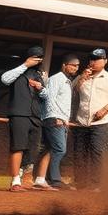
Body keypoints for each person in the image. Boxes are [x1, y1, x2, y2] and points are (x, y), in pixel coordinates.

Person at [70, 48, 108, 192]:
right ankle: (79, 182)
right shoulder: (83, 76)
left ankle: (95, 184)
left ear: (105, 61)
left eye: (97, 59)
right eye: (92, 59)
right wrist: (81, 78)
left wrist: (105, 109)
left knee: (96, 152)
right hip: (81, 120)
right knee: (79, 152)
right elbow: (71, 91)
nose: (93, 62)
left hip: (100, 122)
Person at [1, 46, 47, 191]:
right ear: (28, 57)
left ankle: (24, 179)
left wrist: (41, 88)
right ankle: (15, 181)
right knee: (18, 146)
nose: (37, 60)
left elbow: (46, 96)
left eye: (39, 58)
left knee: (32, 150)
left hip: (36, 116)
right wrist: (25, 65)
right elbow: (5, 79)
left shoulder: (39, 76)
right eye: (35, 57)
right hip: (19, 113)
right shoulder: (17, 72)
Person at [34, 53, 79, 190]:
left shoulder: (67, 81)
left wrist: (65, 119)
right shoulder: (56, 78)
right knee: (60, 149)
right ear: (64, 65)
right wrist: (57, 117)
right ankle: (55, 180)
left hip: (61, 120)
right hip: (54, 119)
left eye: (77, 66)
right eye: (73, 65)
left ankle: (41, 179)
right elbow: (50, 98)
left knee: (50, 149)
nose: (76, 68)